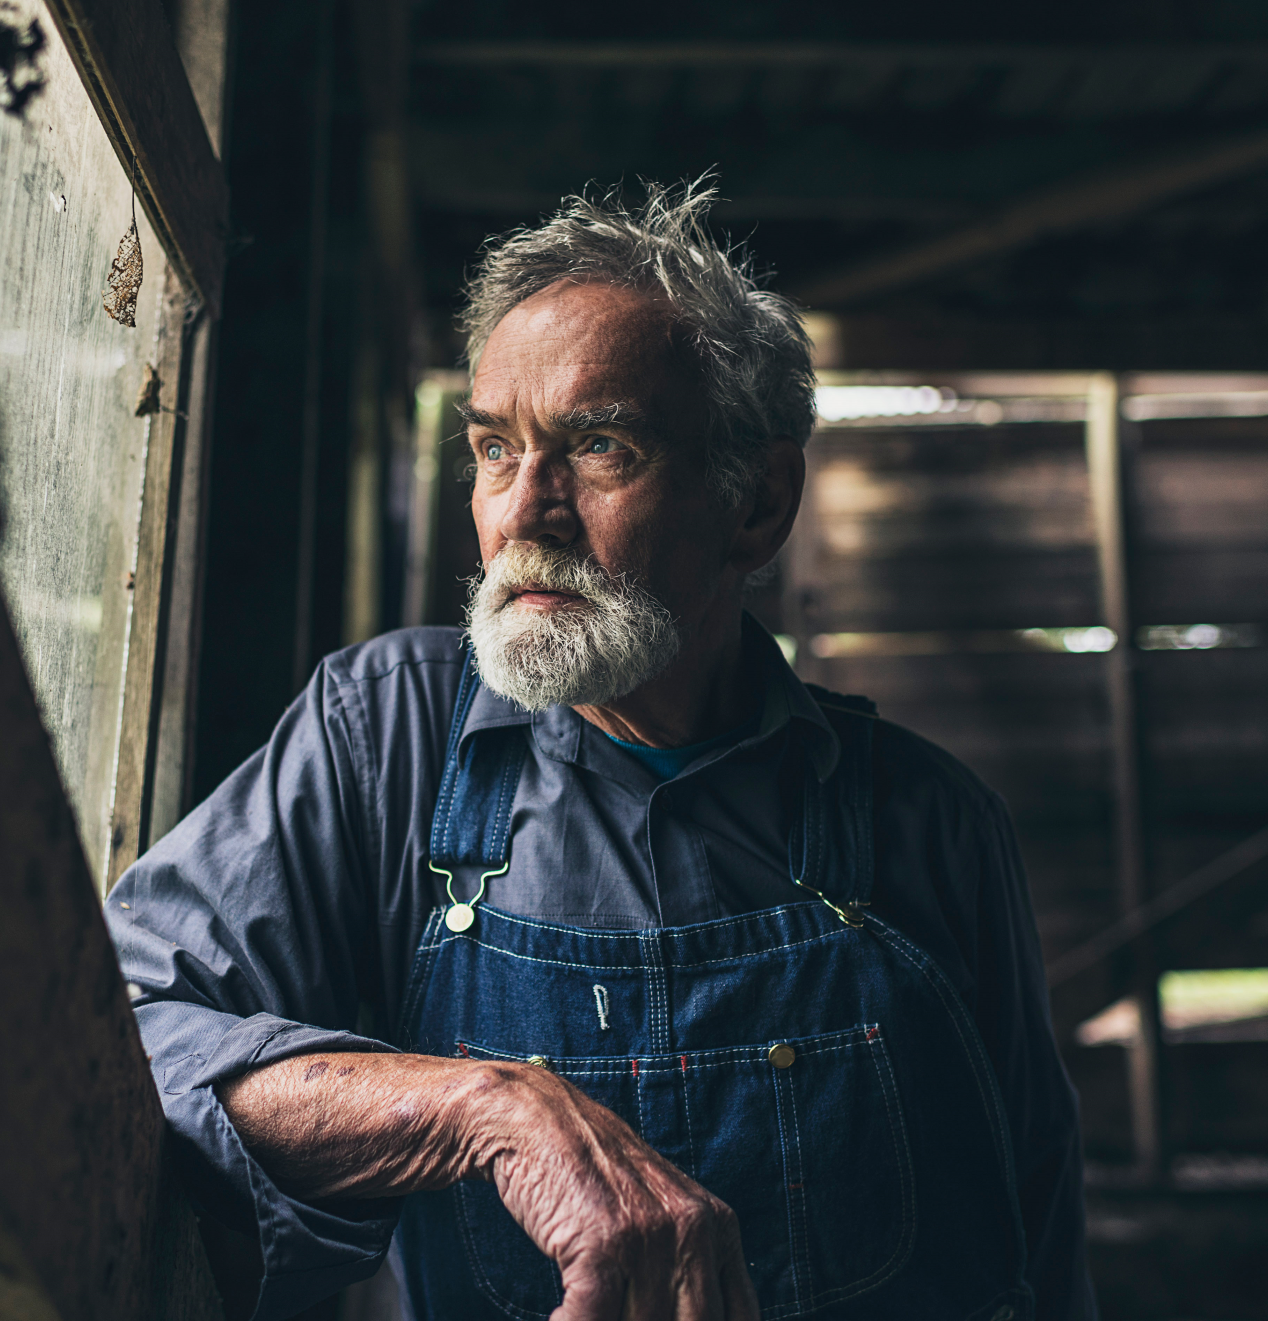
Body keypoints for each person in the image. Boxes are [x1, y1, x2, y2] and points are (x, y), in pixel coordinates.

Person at [108, 181, 1094, 1321]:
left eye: (600, 445)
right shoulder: (387, 738)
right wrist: (489, 1109)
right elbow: (126, 1027)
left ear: (757, 504)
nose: (525, 511)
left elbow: (1041, 1246)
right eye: (493, 449)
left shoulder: (933, 823)